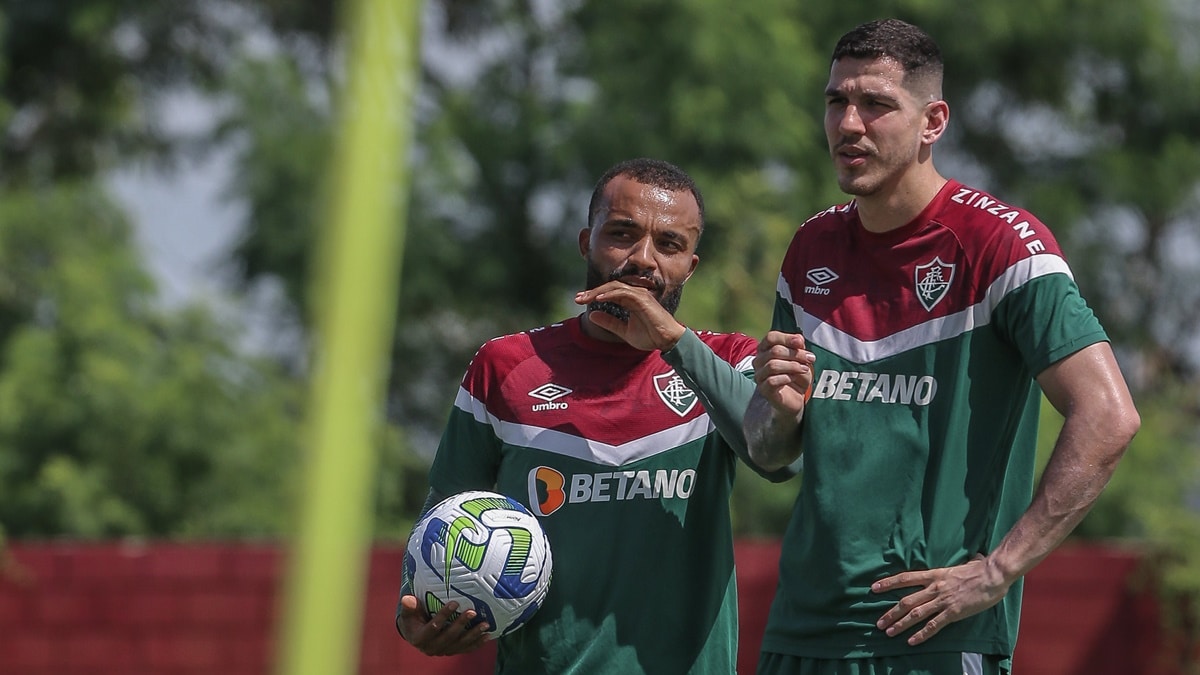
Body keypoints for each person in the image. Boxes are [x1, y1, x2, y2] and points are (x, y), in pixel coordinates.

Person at [742, 18, 1141, 675]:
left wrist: (999, 570)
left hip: (936, 638)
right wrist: (778, 411)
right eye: (836, 101)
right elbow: (770, 450)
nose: (848, 124)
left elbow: (1109, 415)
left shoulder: (1001, 246)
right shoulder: (809, 248)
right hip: (802, 632)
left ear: (933, 122)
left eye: (875, 105)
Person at [397, 157, 794, 674]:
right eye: (622, 234)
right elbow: (442, 526)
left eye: (669, 245)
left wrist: (674, 344)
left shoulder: (725, 362)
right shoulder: (505, 367)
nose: (643, 259)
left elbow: (780, 460)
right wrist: (417, 616)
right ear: (587, 242)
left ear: (691, 265)